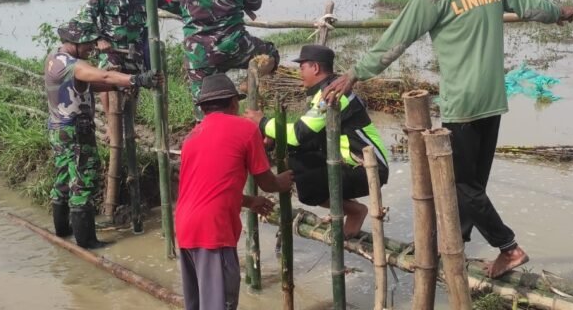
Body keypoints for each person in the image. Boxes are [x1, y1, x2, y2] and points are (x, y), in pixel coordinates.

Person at [322, 0, 573, 278]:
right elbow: (532, 7)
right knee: (474, 183)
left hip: (463, 103)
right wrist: (560, 13)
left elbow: (395, 40)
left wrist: (354, 74)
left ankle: (509, 248)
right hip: (493, 98)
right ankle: (454, 244)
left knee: (460, 182)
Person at [244, 45, 390, 237]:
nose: (300, 72)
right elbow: (307, 136)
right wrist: (274, 137)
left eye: (302, 67)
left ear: (315, 68)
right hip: (351, 163)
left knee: (308, 186)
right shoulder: (325, 91)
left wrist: (262, 122)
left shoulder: (333, 95)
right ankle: (349, 206)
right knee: (298, 157)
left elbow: (299, 134)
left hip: (368, 169)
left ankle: (354, 211)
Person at [175, 73, 293, 310]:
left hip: (186, 228)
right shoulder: (246, 129)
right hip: (212, 230)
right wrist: (284, 180)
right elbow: (267, 182)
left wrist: (249, 201)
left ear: (205, 109)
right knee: (221, 304)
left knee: (197, 305)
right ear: (233, 103)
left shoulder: (192, 137)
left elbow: (209, 188)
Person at [46, 18, 160, 249]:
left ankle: (63, 232)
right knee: (84, 180)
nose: (92, 47)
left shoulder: (54, 58)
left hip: (59, 130)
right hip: (77, 132)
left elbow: (91, 84)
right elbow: (104, 76)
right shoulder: (73, 64)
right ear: (75, 42)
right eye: (88, 43)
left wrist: (119, 86)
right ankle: (87, 241)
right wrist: (137, 79)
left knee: (64, 179)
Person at [80, 0, 158, 121]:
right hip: (112, 49)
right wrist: (98, 39)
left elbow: (165, 0)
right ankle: (111, 125)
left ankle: (129, 126)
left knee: (133, 85)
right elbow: (86, 16)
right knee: (108, 83)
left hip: (133, 50)